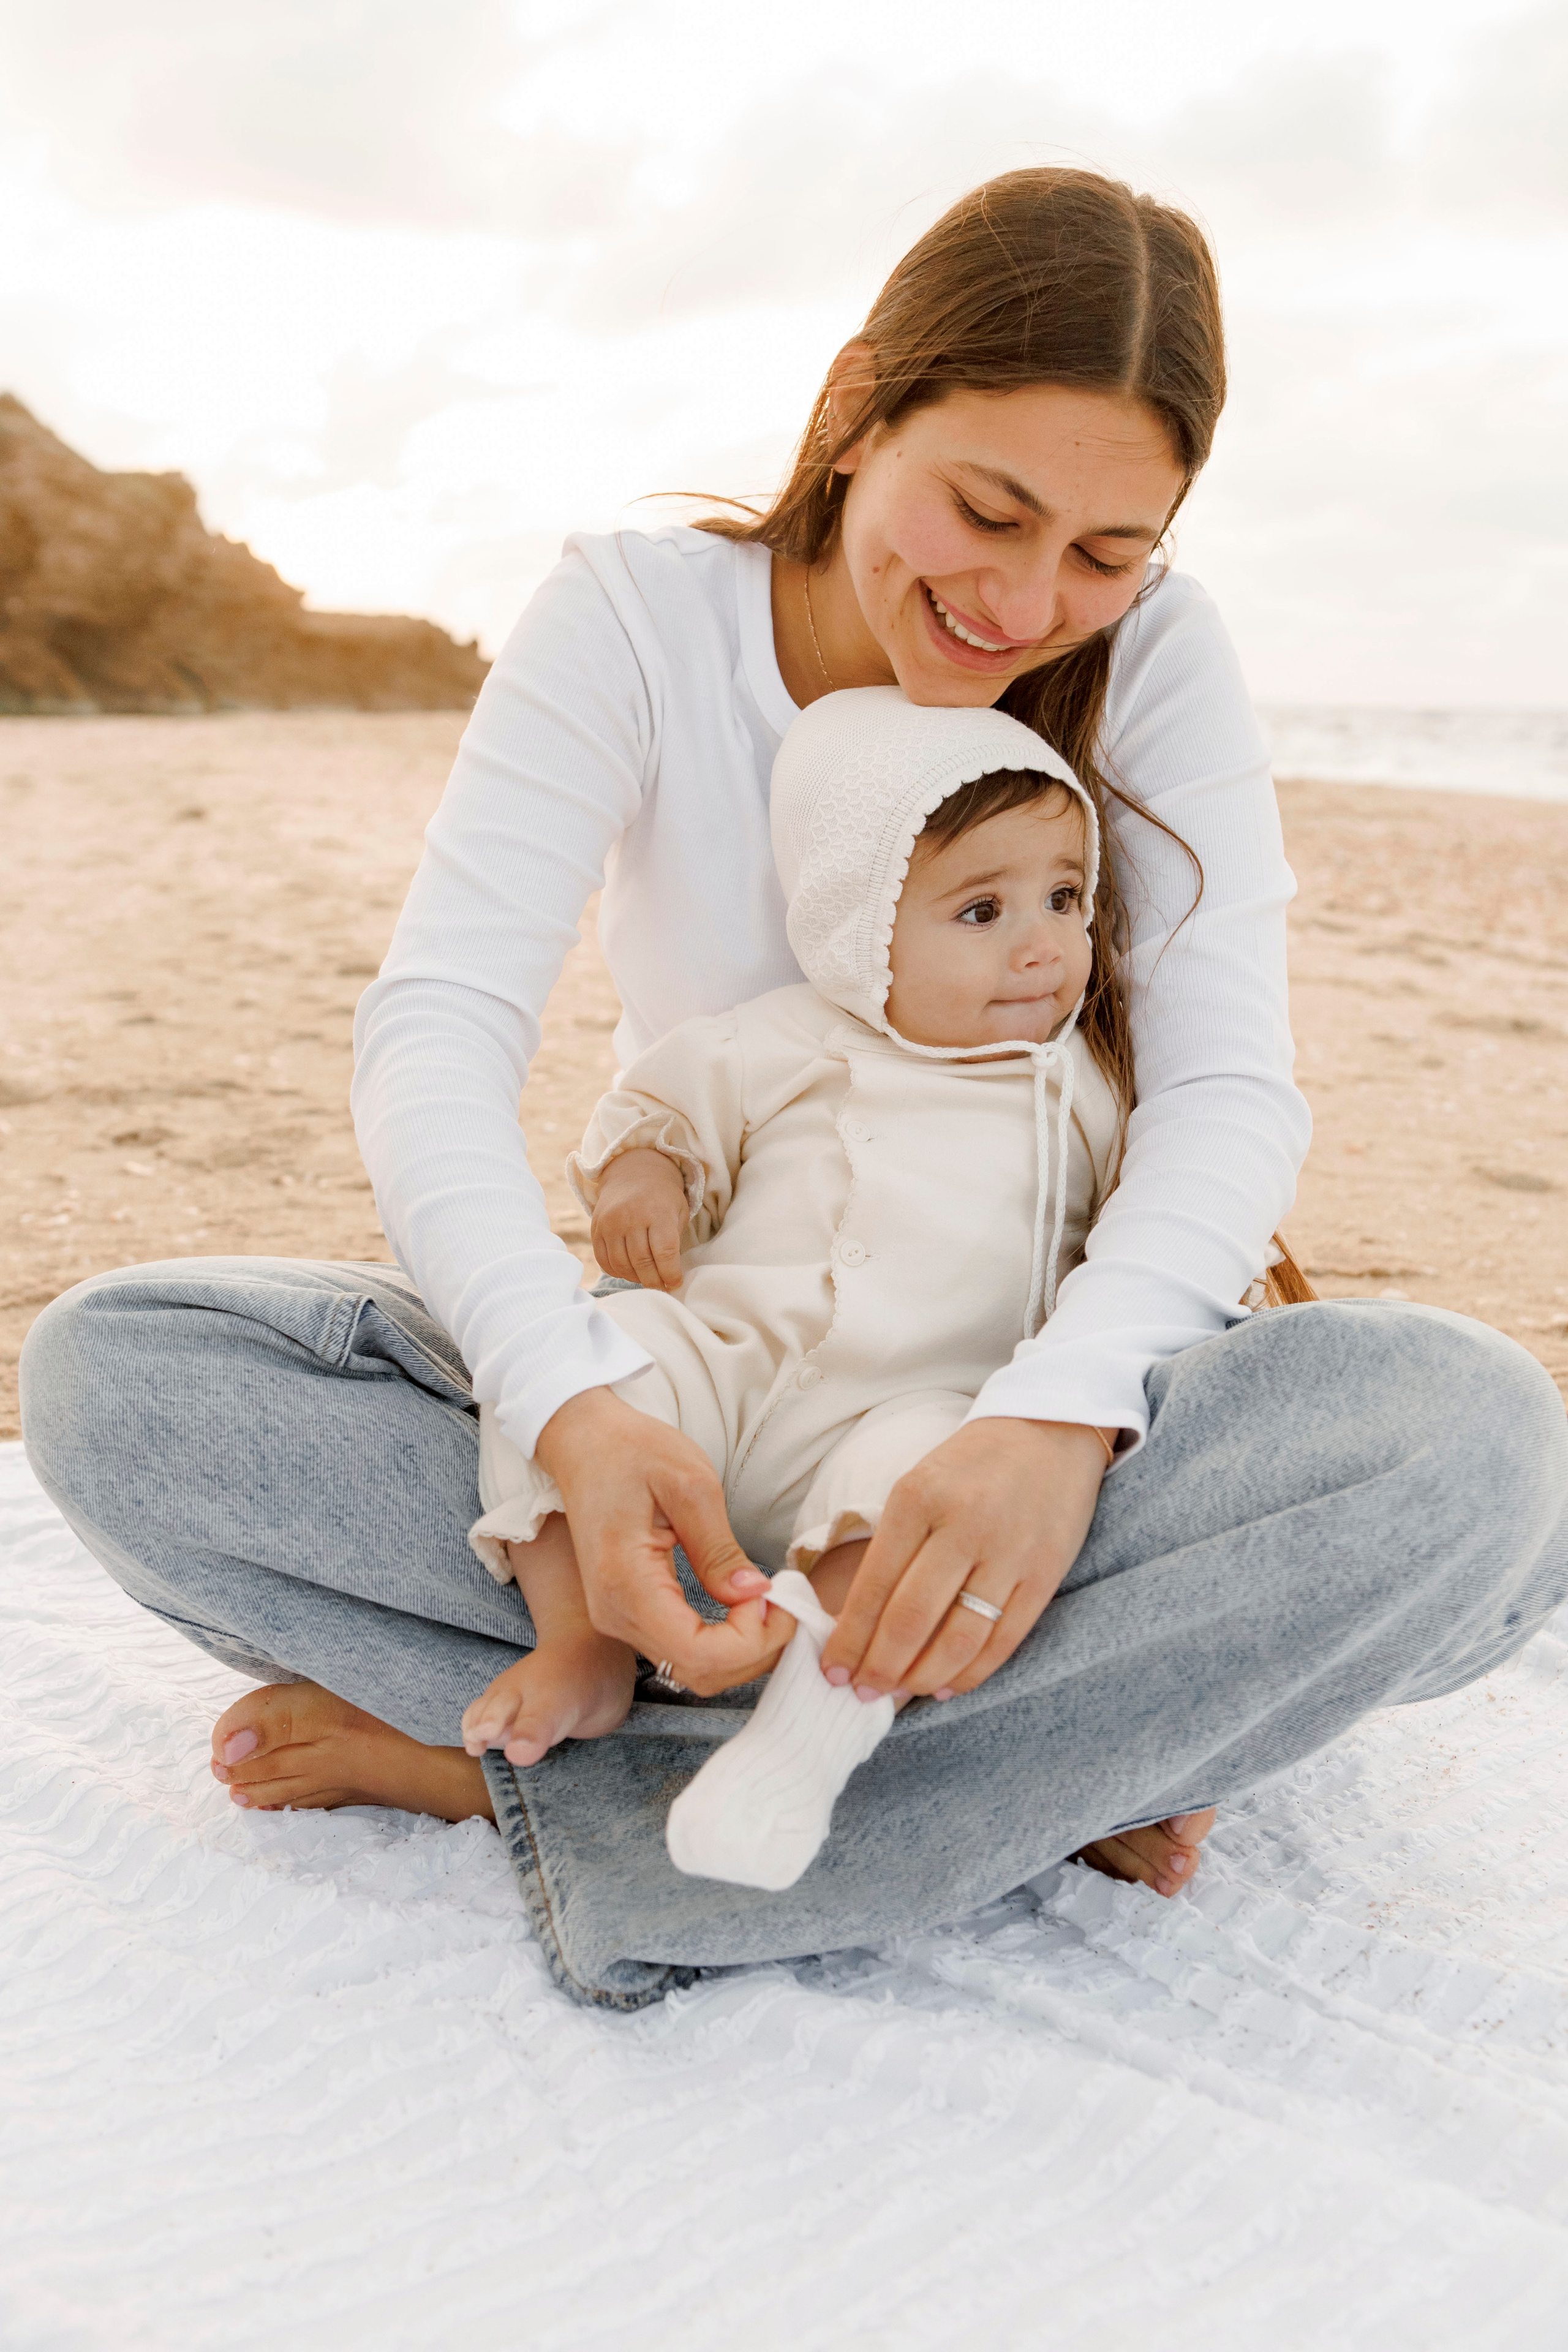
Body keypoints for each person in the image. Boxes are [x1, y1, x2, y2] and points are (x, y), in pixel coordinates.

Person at [21, 169, 1568, 2008]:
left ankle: (548, 1785)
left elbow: (1234, 1095)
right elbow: (437, 1031)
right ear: (856, 408)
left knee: (1471, 1452)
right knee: (119, 1378)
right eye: (986, 510)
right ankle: (1013, 1768)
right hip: (695, 1433)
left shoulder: (1158, 658)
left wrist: (1059, 1425)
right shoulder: (638, 618)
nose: (1026, 602)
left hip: (997, 1459)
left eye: (1105, 551)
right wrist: (578, 1415)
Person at [461, 687, 1128, 1888]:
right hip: (728, 1374)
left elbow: (1144, 1242)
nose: (1041, 944)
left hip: (910, 1413)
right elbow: (662, 1113)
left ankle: (803, 1736)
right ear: (859, 929)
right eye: (981, 909)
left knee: (926, 1486)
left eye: (1064, 899)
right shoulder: (790, 1034)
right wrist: (645, 1180)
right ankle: (583, 1641)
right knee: (593, 1353)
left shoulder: (1078, 1091)